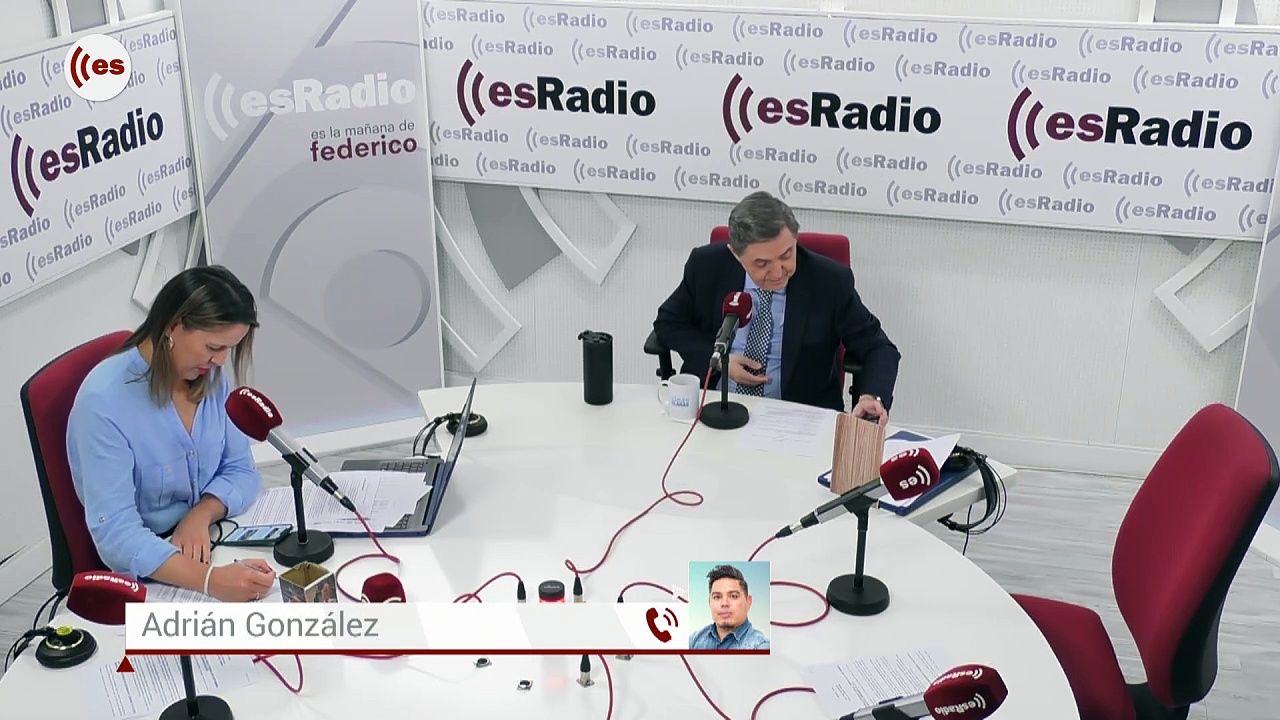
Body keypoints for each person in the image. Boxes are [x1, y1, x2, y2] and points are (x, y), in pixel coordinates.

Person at [67, 266, 276, 602]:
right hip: (151, 566)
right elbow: (116, 534)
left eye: (229, 348)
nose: (220, 361)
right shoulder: (103, 404)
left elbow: (241, 469)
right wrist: (210, 580)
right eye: (213, 346)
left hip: (208, 540)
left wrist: (201, 513)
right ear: (173, 326)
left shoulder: (210, 376)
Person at [653, 191, 900, 421]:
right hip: (717, 406)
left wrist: (871, 396)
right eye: (762, 264)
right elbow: (668, 322)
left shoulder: (829, 281)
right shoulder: (706, 266)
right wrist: (718, 360)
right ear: (735, 254)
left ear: (795, 240)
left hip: (797, 414)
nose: (778, 272)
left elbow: (878, 347)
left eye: (786, 255)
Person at [688, 565, 769, 650]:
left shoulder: (761, 647)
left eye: (733, 596)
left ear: (748, 602)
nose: (724, 603)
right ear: (709, 603)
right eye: (717, 597)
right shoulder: (693, 641)